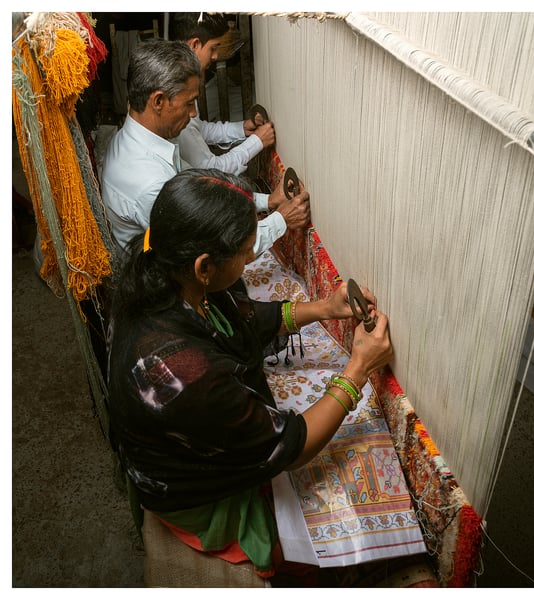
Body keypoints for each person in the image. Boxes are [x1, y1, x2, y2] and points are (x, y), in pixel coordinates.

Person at [107, 168, 393, 581]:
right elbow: (290, 446)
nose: (248, 259)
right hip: (192, 491)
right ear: (205, 265)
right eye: (245, 252)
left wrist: (323, 309)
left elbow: (236, 318)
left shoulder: (164, 273)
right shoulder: (181, 372)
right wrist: (358, 369)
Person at [101, 38, 310, 258]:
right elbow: (212, 252)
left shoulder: (140, 138)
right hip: (163, 280)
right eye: (189, 103)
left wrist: (265, 201)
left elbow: (201, 187)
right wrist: (280, 221)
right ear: (159, 101)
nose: (193, 114)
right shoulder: (150, 184)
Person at [169, 12, 276, 177]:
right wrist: (257, 142)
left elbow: (198, 129)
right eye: (213, 48)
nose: (216, 56)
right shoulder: (177, 95)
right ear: (194, 45)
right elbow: (213, 170)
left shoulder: (180, 80)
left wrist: (241, 128)